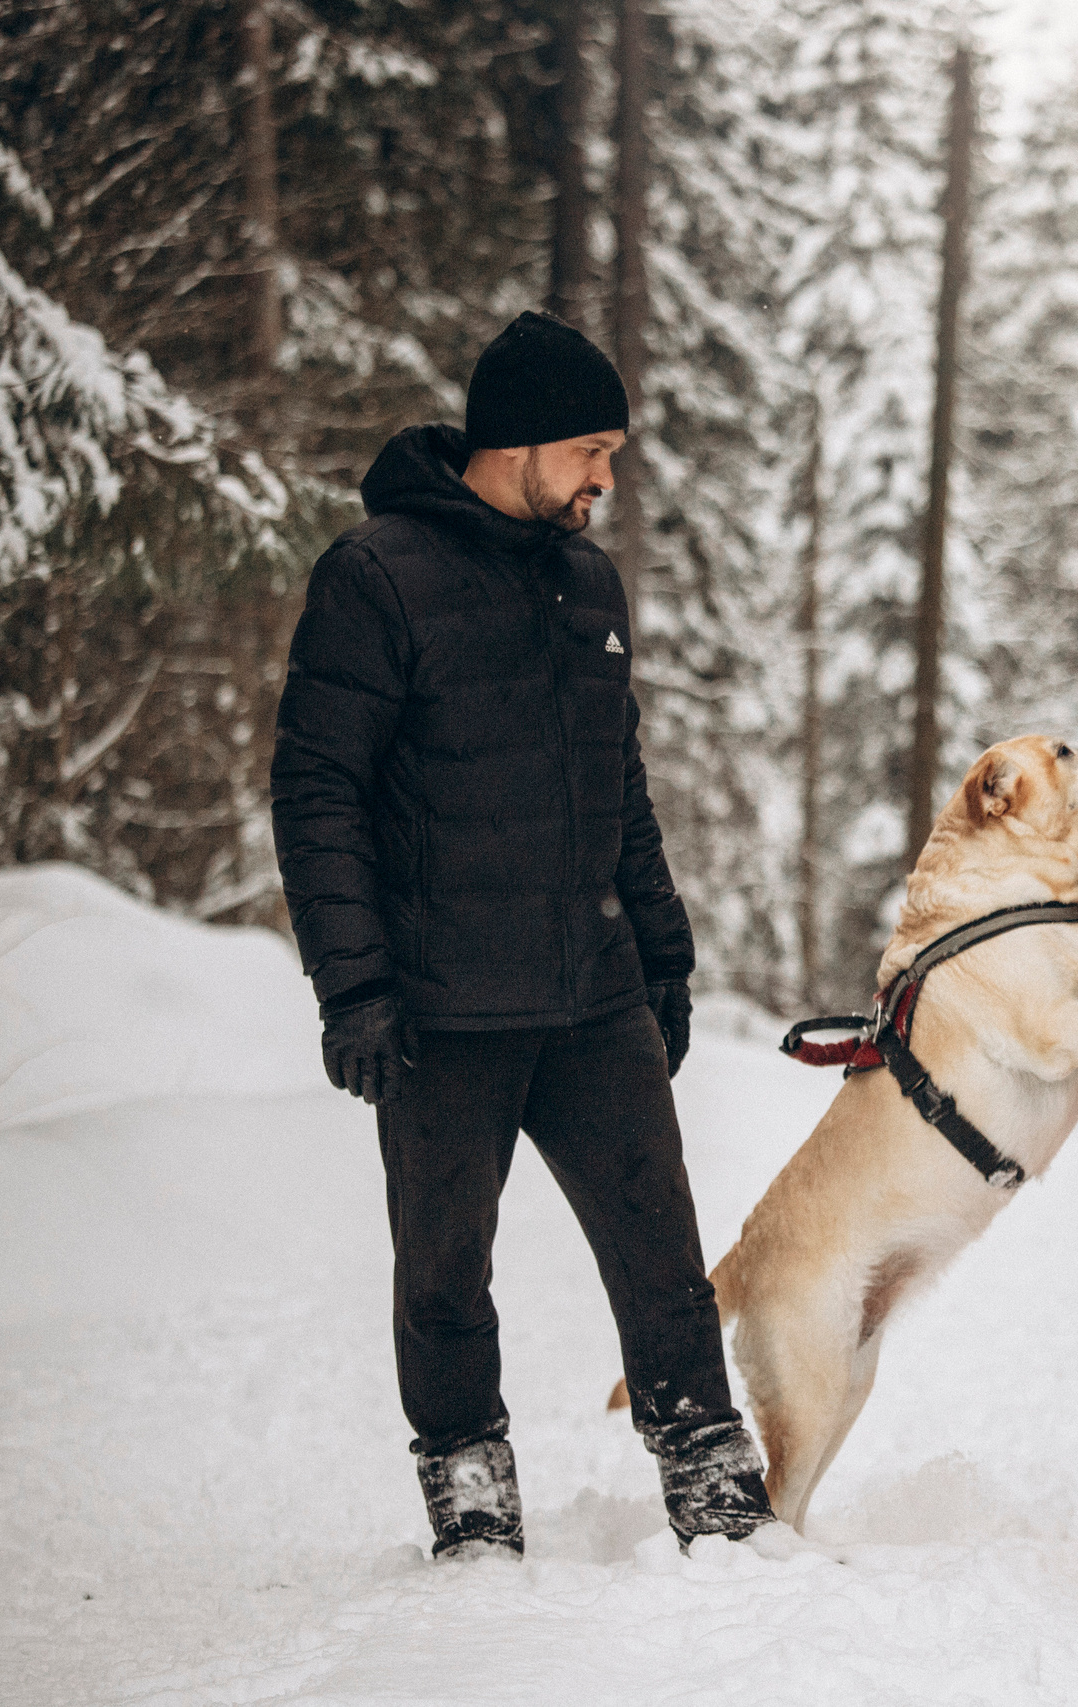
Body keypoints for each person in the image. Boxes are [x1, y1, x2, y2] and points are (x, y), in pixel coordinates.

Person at [269, 311, 771, 1561]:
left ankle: (707, 1465)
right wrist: (356, 988)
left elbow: (623, 785)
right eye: (593, 449)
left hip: (592, 994)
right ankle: (469, 1482)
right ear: (522, 442)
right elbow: (317, 789)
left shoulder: (585, 580)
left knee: (662, 1256)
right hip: (441, 1007)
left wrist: (661, 955)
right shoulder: (375, 576)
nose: (607, 476)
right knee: (443, 1272)